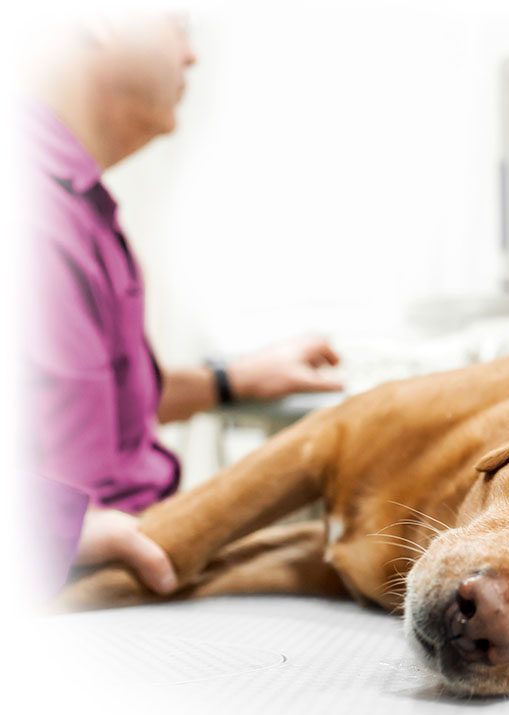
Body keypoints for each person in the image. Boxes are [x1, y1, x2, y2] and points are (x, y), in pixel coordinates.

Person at [22, 14, 344, 595]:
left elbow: (89, 400)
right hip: (78, 580)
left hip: (129, 543)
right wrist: (50, 531)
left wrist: (235, 379)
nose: (191, 57)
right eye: (179, 26)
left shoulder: (74, 206)